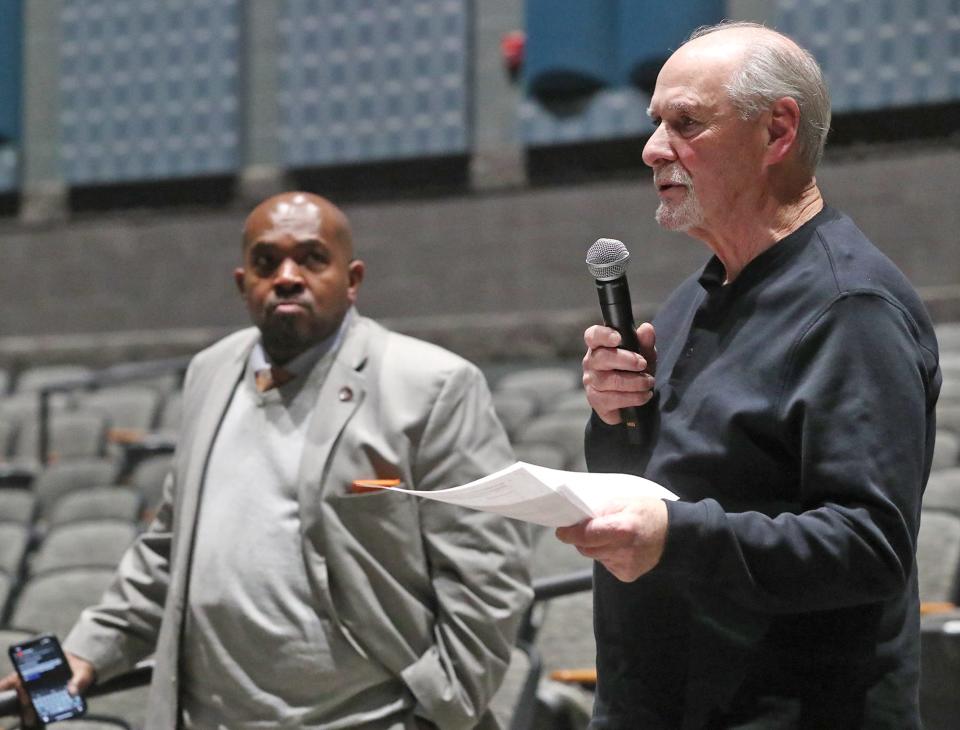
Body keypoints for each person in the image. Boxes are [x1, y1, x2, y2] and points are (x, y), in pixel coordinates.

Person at [1, 192, 533, 729]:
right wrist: (83, 652)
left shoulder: (433, 385)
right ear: (242, 284)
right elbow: (168, 550)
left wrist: (443, 709)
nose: (286, 276)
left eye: (311, 258)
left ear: (352, 280)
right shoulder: (211, 371)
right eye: (265, 262)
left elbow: (486, 572)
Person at [556, 21, 942, 729]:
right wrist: (613, 417)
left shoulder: (850, 308)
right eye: (654, 123)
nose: (651, 149)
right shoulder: (693, 300)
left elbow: (868, 545)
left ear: (778, 133)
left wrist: (677, 535)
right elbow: (664, 484)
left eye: (686, 123)